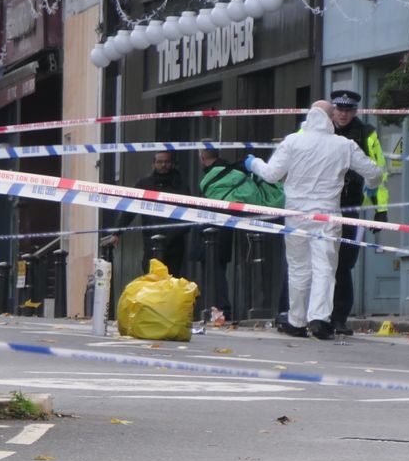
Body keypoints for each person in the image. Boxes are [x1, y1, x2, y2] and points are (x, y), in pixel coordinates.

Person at [247, 102, 379, 340]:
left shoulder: (292, 141)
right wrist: (371, 188)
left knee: (298, 267)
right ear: (330, 118)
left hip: (296, 214)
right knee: (324, 267)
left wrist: (253, 163)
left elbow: (271, 174)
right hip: (327, 214)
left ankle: (296, 320)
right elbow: (374, 172)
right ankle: (319, 318)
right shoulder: (343, 145)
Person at [325, 90, 390, 334]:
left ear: (355, 111)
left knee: (343, 265)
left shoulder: (366, 134)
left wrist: (381, 210)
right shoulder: (318, 130)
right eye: (339, 109)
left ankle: (338, 317)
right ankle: (314, 315)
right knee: (316, 262)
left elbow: (378, 174)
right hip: (319, 207)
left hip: (349, 208)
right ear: (333, 110)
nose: (343, 114)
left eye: (348, 110)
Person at [195, 146, 280, 323]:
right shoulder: (236, 172)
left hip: (214, 230)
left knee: (214, 269)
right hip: (239, 226)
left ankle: (220, 311)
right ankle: (237, 309)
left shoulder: (210, 179)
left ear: (202, 158)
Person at [134, 149, 190, 278]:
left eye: (166, 162)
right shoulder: (144, 185)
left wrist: (177, 232)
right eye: (159, 162)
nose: (163, 165)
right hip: (151, 243)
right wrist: (117, 233)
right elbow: (129, 209)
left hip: (174, 246)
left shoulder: (180, 186)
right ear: (153, 164)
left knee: (172, 281)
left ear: (172, 163)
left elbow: (189, 213)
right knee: (152, 280)